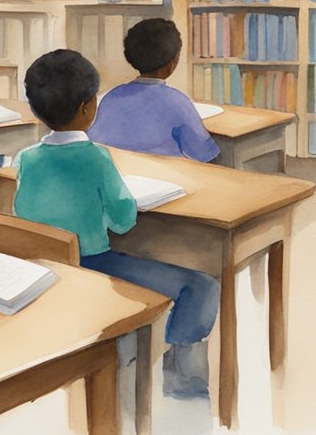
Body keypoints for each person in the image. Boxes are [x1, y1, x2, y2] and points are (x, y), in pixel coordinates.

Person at [14, 49, 219, 397]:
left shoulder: (27, 159)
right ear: (88, 107)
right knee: (202, 285)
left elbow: (24, 212)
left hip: (46, 266)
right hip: (92, 266)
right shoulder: (96, 157)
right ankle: (183, 381)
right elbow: (123, 221)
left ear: (35, 109)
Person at [88, 18, 219, 161]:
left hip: (118, 174)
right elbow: (205, 154)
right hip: (164, 178)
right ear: (173, 62)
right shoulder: (177, 102)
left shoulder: (111, 97)